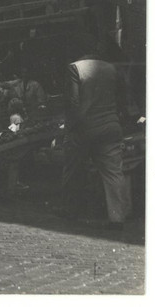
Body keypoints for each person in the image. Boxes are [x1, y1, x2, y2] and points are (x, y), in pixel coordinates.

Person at [61, 50, 132, 228]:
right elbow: (122, 98)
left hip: (84, 127)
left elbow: (74, 101)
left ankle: (71, 211)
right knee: (113, 173)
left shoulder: (74, 68)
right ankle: (117, 218)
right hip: (110, 125)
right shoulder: (112, 69)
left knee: (73, 169)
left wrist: (71, 126)